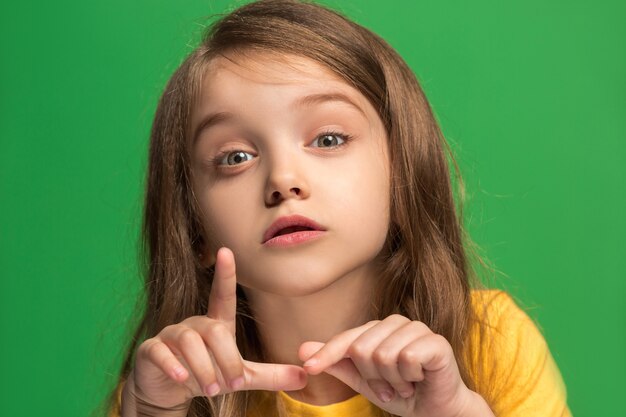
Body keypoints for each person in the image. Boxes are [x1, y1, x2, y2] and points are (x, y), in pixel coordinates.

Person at [109, 1, 571, 416]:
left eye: (328, 139)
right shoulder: (165, 392)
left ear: (403, 174)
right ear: (195, 230)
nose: (282, 180)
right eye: (235, 158)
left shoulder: (490, 343)